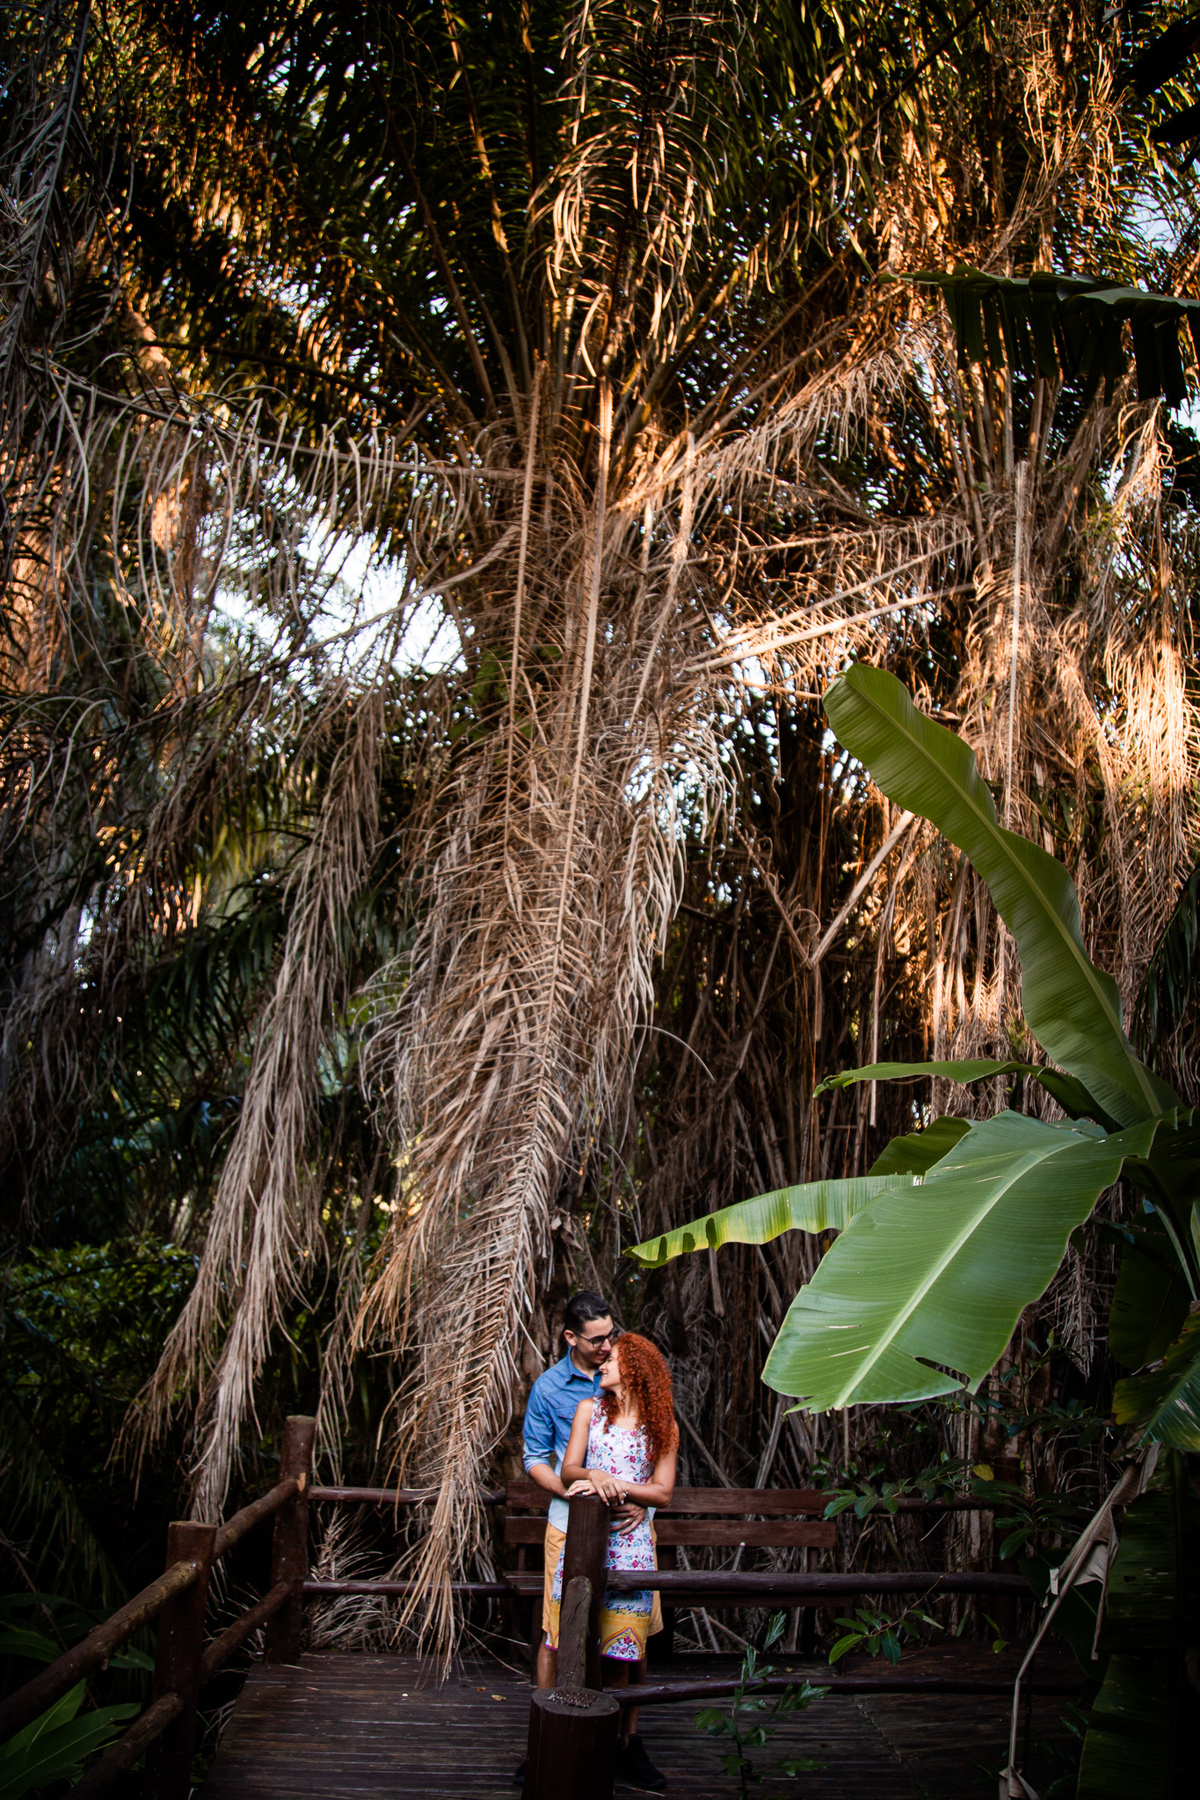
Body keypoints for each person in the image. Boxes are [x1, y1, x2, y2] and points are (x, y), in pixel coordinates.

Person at [548, 1331, 678, 1794]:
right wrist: (596, 1475)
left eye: (612, 1357)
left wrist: (620, 1488)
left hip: (632, 1547)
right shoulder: (588, 1411)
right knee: (573, 1645)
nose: (602, 1361)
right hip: (585, 1542)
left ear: (636, 1369)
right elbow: (569, 1471)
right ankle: (568, 1738)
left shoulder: (662, 1424)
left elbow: (661, 1491)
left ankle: (619, 1745)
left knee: (621, 1655)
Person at [521, 1292, 654, 1689]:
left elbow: (649, 1451)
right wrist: (579, 1494)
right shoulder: (549, 1389)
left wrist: (641, 1505)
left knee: (634, 1633)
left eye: (611, 1335)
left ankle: (628, 1739)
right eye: (596, 1340)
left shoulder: (628, 1371)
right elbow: (534, 1459)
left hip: (630, 1528)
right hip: (568, 1524)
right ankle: (549, 1731)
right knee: (556, 1627)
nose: (607, 1346)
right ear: (570, 1337)